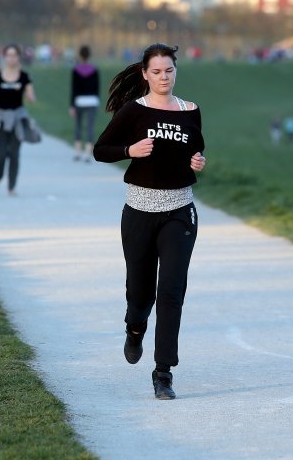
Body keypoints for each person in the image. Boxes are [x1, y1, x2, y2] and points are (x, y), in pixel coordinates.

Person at [93, 43, 206, 400]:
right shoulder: (133, 111)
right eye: (156, 72)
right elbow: (100, 150)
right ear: (144, 74)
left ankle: (163, 372)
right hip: (139, 213)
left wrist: (197, 161)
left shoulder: (191, 110)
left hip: (179, 212)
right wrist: (129, 151)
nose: (163, 77)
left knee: (171, 292)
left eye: (169, 71)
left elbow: (195, 148)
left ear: (176, 72)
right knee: (140, 294)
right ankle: (134, 328)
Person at [0, 44, 36, 195]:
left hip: (17, 119)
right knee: (0, 153)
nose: (11, 58)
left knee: (14, 153)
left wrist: (30, 97)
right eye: (8, 55)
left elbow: (31, 96)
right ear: (5, 57)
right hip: (1, 118)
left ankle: (11, 186)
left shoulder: (23, 76)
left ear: (18, 57)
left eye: (14, 55)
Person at [70, 45, 100, 162]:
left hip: (79, 101)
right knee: (90, 127)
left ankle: (77, 153)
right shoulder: (95, 70)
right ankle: (87, 154)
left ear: (80, 55)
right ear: (89, 55)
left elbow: (74, 89)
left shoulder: (75, 70)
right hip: (92, 101)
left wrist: (72, 105)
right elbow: (97, 88)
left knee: (78, 126)